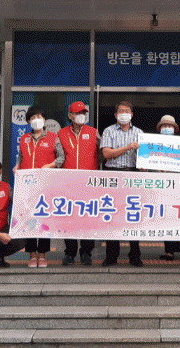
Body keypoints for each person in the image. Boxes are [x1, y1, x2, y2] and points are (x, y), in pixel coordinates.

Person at [13, 105, 65, 268]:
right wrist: (17, 166)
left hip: (45, 184)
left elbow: (61, 158)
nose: (37, 120)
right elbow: (20, 157)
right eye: (33, 117)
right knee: (29, 219)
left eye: (39, 117)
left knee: (43, 219)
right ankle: (32, 254)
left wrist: (50, 165)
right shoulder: (24, 138)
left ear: (44, 120)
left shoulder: (53, 137)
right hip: (28, 185)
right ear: (28, 121)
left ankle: (42, 254)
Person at [100, 101, 144, 267]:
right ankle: (111, 256)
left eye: (127, 111)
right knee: (112, 215)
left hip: (133, 174)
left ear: (132, 114)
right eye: (120, 111)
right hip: (113, 175)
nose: (124, 114)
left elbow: (145, 158)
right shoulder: (109, 131)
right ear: (115, 114)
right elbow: (106, 153)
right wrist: (127, 148)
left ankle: (135, 255)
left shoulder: (139, 133)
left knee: (133, 214)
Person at [58, 101, 99, 266]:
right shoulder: (61, 133)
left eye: (83, 113)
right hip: (68, 183)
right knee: (69, 219)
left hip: (89, 184)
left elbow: (103, 153)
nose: (81, 116)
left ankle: (86, 252)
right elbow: (57, 156)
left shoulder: (94, 132)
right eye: (78, 113)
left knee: (88, 219)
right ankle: (70, 252)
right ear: (70, 115)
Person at [155, 114, 180, 261]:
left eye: (169, 126)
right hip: (160, 186)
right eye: (164, 126)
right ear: (160, 128)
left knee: (176, 217)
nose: (167, 128)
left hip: (178, 186)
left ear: (174, 129)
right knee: (164, 218)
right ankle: (168, 250)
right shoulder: (153, 144)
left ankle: (175, 249)